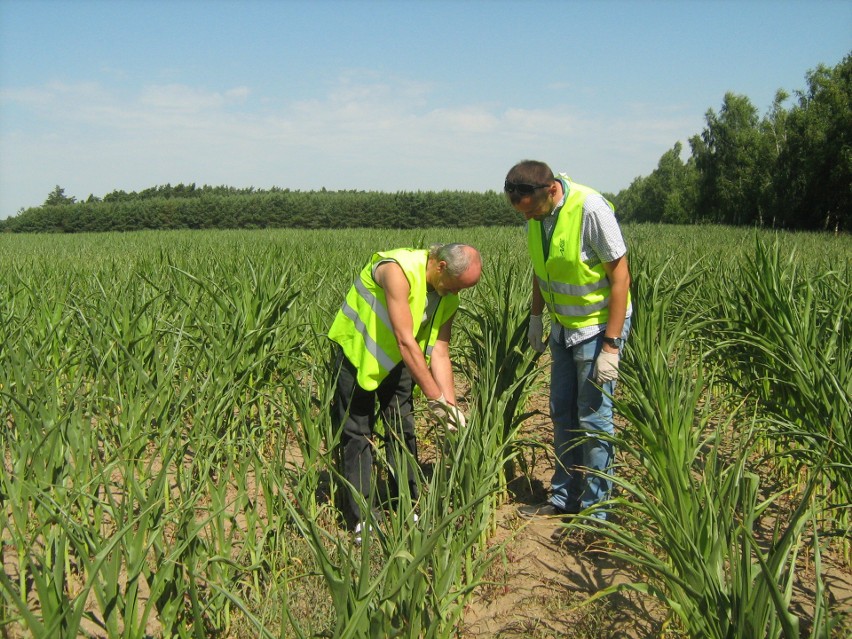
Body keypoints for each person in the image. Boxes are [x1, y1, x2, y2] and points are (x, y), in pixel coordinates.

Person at [504, 160, 631, 533]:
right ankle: (564, 499)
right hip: (562, 327)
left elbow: (621, 277)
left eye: (531, 210)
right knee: (561, 413)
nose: (528, 219)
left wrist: (611, 344)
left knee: (594, 419)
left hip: (596, 328)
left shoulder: (590, 209)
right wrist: (535, 317)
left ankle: (597, 514)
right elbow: (541, 269)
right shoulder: (537, 216)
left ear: (551, 190)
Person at [328, 242, 482, 540]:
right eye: (455, 286)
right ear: (441, 266)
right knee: (357, 433)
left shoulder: (447, 295)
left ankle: (407, 505)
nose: (456, 294)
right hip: (359, 356)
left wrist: (449, 406)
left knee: (402, 427)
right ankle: (363, 517)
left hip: (399, 363)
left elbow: (439, 351)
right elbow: (404, 339)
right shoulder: (397, 270)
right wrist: (434, 398)